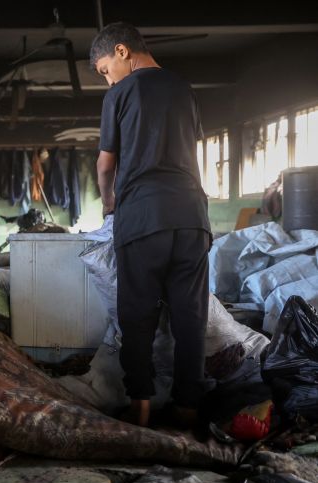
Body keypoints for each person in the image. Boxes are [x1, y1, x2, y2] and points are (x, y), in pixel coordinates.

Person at [90, 22, 212, 427]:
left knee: (137, 315)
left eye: (105, 70)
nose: (108, 80)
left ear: (122, 51)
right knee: (190, 316)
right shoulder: (184, 89)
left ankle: (140, 407)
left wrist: (109, 203)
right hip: (192, 218)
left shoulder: (120, 94)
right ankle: (188, 408)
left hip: (142, 218)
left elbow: (105, 165)